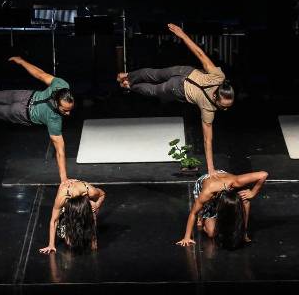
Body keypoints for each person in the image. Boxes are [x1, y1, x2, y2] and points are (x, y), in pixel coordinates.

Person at [117, 23, 236, 176]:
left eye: (228, 106)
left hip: (184, 71)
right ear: (215, 96)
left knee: (154, 75)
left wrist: (183, 35)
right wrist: (211, 169)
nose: (225, 109)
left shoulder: (219, 77)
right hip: (177, 88)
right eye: (223, 105)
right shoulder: (209, 109)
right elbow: (207, 141)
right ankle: (129, 84)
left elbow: (200, 54)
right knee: (154, 87)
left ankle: (127, 76)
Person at [176, 170, 268, 250]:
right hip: (205, 183)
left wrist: (253, 192)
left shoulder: (237, 181)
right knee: (211, 233)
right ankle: (202, 218)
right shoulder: (206, 194)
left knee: (246, 200)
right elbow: (193, 213)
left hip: (222, 178)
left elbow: (264, 174)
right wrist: (187, 237)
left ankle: (244, 233)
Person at [39, 178, 106, 255]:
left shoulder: (90, 191)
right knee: (69, 242)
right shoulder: (62, 197)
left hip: (84, 206)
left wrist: (97, 205)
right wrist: (51, 245)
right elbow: (54, 220)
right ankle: (74, 226)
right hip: (68, 208)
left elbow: (102, 194)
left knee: (93, 205)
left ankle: (93, 238)